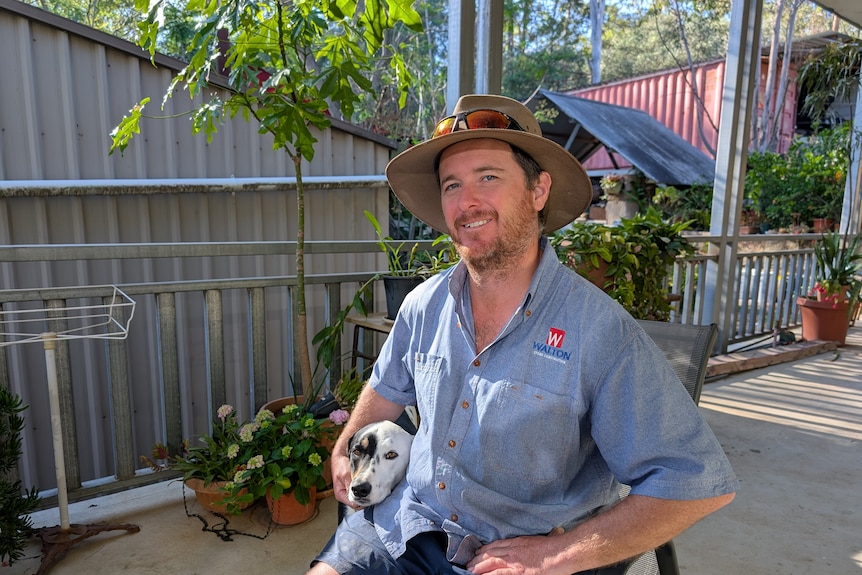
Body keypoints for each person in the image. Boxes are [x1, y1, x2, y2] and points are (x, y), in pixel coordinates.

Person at [307, 94, 737, 575]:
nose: (466, 201)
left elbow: (695, 481)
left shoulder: (600, 331)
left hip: (515, 556)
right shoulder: (423, 306)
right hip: (409, 523)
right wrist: (344, 449)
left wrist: (558, 554)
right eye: (452, 185)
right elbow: (384, 391)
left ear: (538, 191)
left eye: (488, 177)